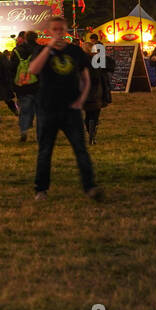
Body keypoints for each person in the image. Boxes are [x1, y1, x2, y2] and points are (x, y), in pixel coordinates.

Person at [27, 15, 103, 201]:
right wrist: (49, 49)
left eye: (62, 29)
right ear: (50, 32)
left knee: (80, 148)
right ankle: (41, 189)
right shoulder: (41, 50)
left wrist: (81, 100)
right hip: (47, 108)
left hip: (71, 109)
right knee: (45, 150)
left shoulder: (75, 52)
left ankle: (90, 187)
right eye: (55, 30)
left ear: (66, 30)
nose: (59, 33)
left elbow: (86, 77)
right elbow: (33, 70)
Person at [11, 30, 41, 142]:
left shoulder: (17, 50)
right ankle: (40, 135)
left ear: (25, 38)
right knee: (40, 112)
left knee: (24, 109)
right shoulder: (40, 50)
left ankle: (24, 130)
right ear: (36, 38)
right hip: (38, 84)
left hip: (22, 85)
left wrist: (13, 84)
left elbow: (12, 69)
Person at [82, 39, 111, 144]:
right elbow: (110, 66)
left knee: (88, 113)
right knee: (95, 113)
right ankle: (92, 133)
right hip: (97, 90)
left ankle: (90, 131)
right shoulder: (98, 59)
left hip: (85, 91)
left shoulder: (81, 61)